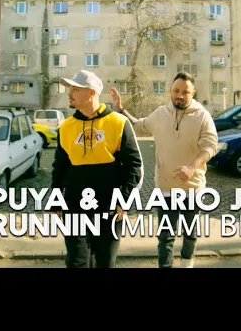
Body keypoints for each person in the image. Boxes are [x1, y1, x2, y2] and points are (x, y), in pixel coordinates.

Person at [110, 71, 218, 268]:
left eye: (185, 92)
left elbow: (210, 146)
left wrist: (192, 167)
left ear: (193, 93)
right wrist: (121, 109)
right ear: (170, 90)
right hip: (165, 188)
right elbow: (138, 126)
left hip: (192, 188)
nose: (180, 95)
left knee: (190, 233)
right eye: (176, 91)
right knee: (166, 236)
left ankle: (187, 262)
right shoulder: (160, 114)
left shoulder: (202, 116)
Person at [51, 70, 144, 268]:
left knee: (105, 262)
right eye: (70, 89)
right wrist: (55, 201)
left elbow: (134, 166)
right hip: (74, 206)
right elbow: (59, 168)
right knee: (77, 261)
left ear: (91, 93)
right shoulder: (66, 127)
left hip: (108, 207)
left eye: (75, 89)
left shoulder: (118, 123)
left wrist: (123, 200)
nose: (69, 93)